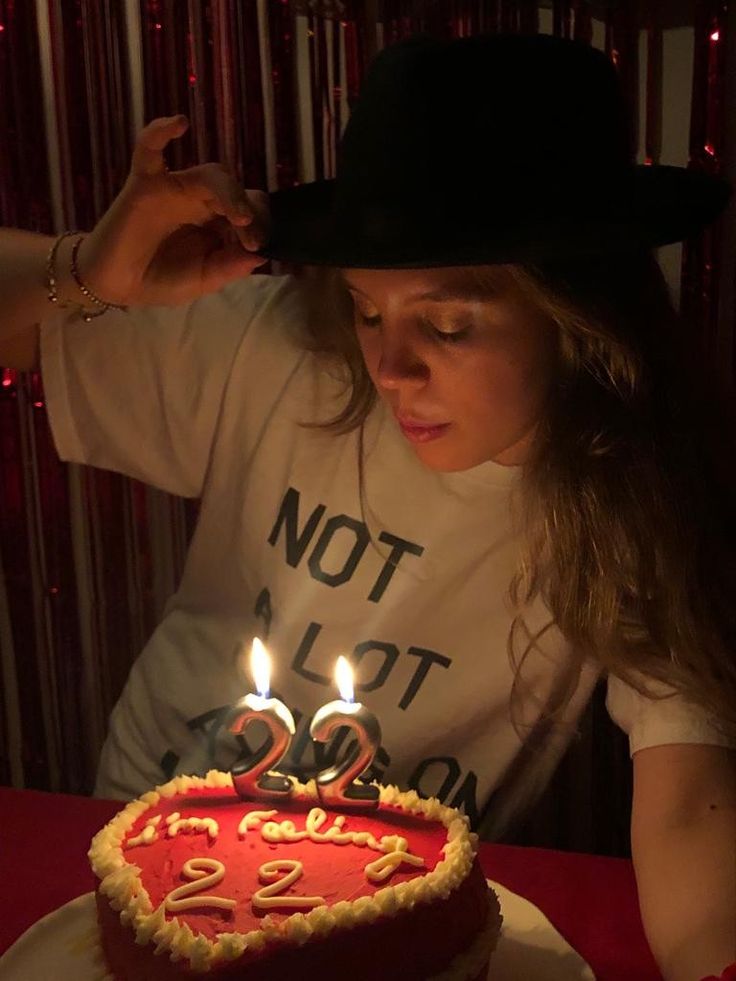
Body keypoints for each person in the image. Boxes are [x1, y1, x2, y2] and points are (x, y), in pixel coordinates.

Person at [0, 32, 734, 980]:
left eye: (448, 322)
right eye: (367, 308)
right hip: (142, 878)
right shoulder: (278, 352)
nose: (390, 369)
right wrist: (90, 273)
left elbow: (691, 802)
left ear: (578, 322)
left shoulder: (637, 497)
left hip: (393, 930)